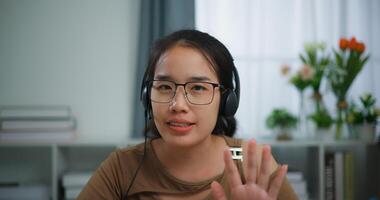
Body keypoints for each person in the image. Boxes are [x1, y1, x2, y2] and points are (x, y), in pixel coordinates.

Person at [77, 30, 298, 200]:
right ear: (147, 96)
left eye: (198, 88)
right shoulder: (123, 166)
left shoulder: (250, 161)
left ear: (226, 100)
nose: (178, 105)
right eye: (164, 87)